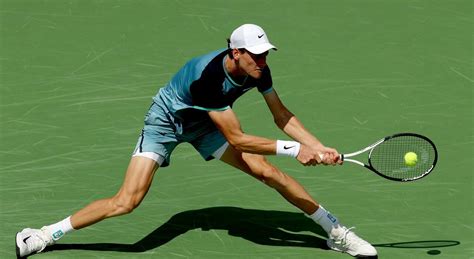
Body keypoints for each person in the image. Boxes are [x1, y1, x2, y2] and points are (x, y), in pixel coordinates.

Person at [15, 24, 377, 258]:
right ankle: (46, 234)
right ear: (236, 52)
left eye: (266, 54)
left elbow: (282, 116)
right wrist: (297, 150)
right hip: (166, 122)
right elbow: (237, 137)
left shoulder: (257, 71)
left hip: (205, 122)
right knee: (126, 201)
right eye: (256, 54)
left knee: (267, 173)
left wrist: (317, 145)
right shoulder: (205, 77)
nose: (263, 61)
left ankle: (336, 231)